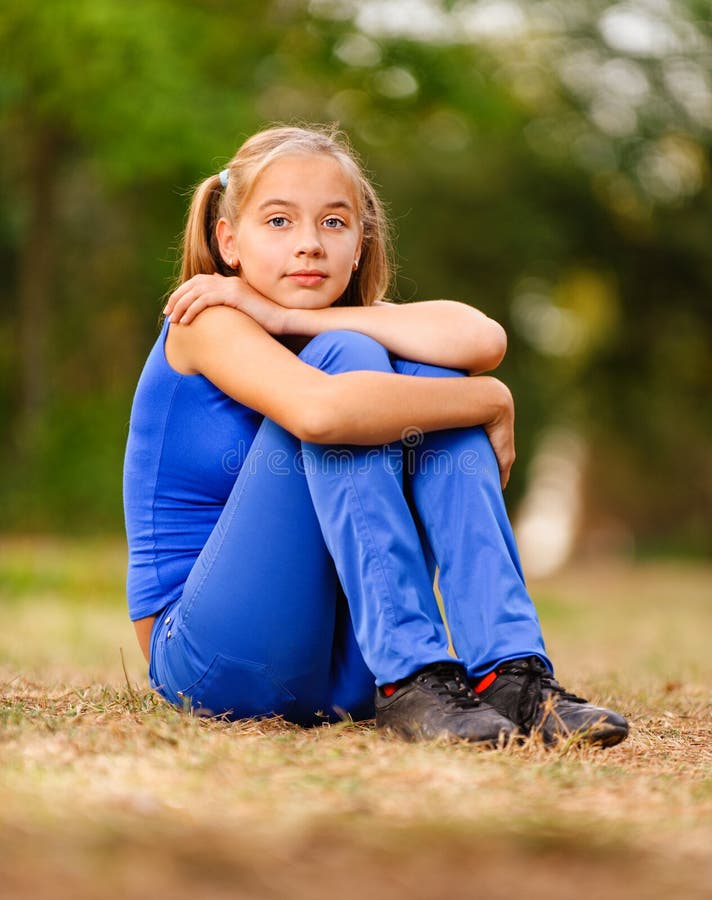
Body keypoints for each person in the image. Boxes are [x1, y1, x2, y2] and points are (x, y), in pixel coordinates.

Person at [123, 124, 628, 747]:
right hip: (212, 659)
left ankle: (509, 671)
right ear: (229, 242)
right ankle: (410, 668)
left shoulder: (333, 324)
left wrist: (288, 315)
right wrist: (489, 400)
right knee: (364, 366)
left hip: (344, 668)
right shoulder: (205, 320)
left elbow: (483, 339)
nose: (308, 244)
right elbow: (321, 414)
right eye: (278, 222)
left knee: (425, 371)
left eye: (333, 223)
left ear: (360, 243)